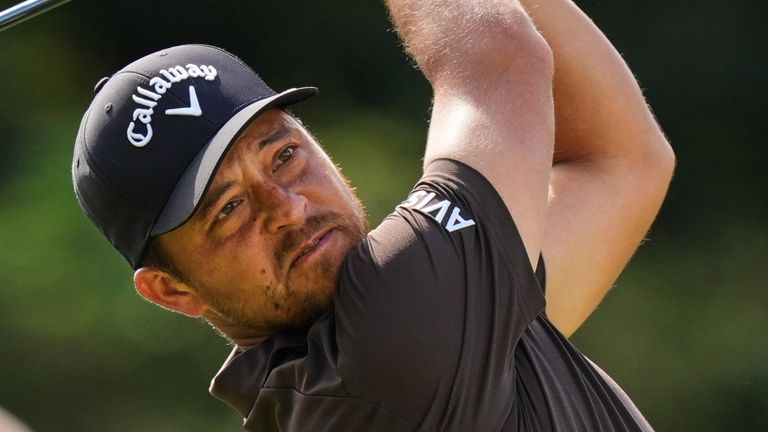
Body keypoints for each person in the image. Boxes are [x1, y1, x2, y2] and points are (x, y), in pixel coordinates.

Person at [72, 0, 674, 430]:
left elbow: (619, 163)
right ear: (172, 290)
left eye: (282, 155)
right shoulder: (388, 356)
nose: (286, 208)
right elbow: (498, 52)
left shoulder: (449, 337)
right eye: (228, 210)